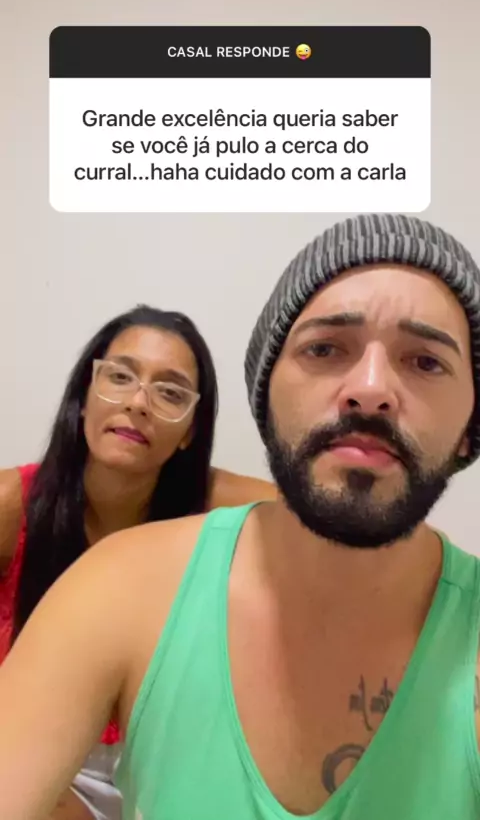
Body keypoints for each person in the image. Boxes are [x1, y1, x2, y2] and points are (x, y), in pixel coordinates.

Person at [1, 213, 480, 820]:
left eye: (427, 362)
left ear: (471, 427)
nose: (370, 388)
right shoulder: (117, 584)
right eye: (325, 348)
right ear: (265, 396)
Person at [0, 303, 276, 820]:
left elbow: (330, 528)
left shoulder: (216, 511)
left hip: (167, 768)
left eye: (170, 392)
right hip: (38, 763)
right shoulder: (15, 505)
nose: (138, 403)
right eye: (121, 377)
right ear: (84, 397)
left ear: (190, 430)